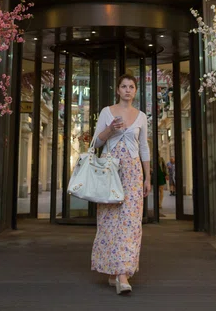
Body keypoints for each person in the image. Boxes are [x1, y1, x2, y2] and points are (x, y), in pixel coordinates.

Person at [91, 74, 151, 295]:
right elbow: (96, 142)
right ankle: (113, 269)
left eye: (131, 87)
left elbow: (144, 148)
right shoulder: (107, 112)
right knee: (109, 219)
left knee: (131, 221)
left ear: (135, 91)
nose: (127, 90)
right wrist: (110, 130)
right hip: (111, 171)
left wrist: (147, 178)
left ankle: (123, 274)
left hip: (134, 172)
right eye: (124, 86)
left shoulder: (142, 117)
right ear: (118, 90)